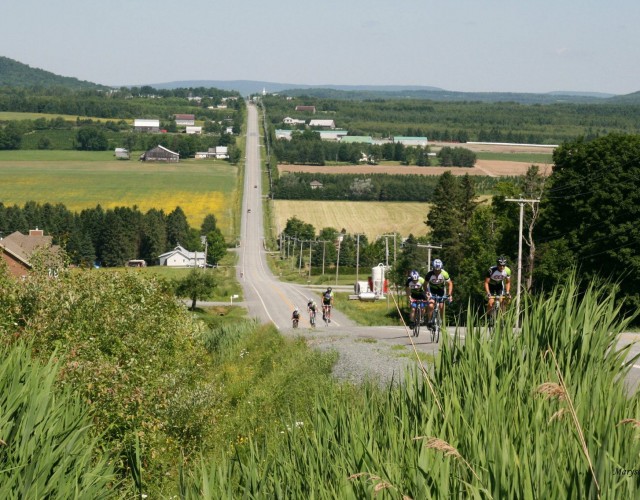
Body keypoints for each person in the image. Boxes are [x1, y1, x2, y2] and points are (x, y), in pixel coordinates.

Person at [425, 259, 453, 326]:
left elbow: (450, 283)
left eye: (438, 270)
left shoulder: (444, 274)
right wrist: (426, 292)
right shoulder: (429, 274)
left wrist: (449, 294)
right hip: (432, 291)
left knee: (441, 307)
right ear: (433, 268)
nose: (437, 272)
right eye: (435, 270)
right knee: (431, 305)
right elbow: (425, 284)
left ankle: (441, 321)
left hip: (441, 291)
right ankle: (429, 321)